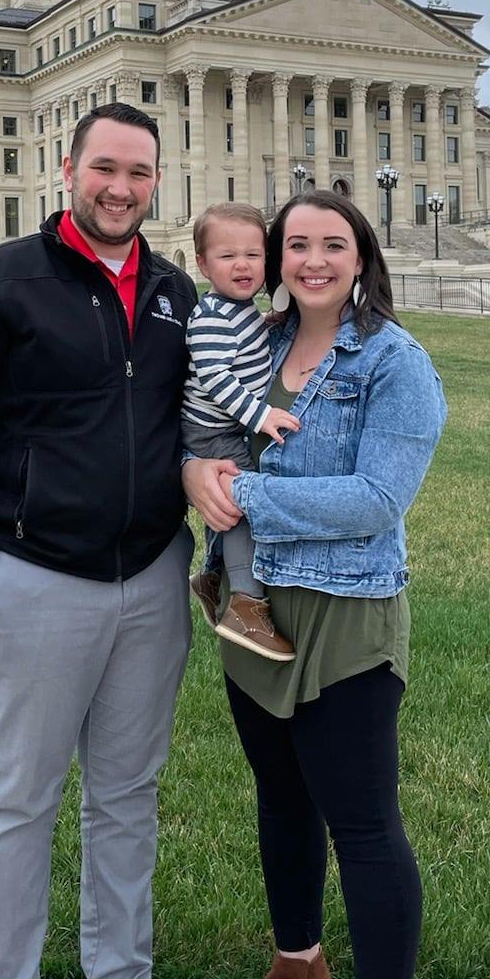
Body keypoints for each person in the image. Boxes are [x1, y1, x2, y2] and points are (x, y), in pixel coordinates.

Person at [0, 103, 200, 979]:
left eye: (139, 173)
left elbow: (199, 417)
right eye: (105, 168)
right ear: (67, 168)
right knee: (17, 803)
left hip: (150, 577)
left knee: (127, 797)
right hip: (31, 578)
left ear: (156, 182)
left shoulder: (174, 292)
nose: (121, 188)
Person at [181, 190, 447, 979]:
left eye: (333, 244)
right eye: (296, 245)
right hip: (255, 610)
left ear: (361, 255)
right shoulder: (256, 341)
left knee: (364, 826)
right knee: (282, 799)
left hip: (346, 616)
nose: (313, 261)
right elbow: (204, 427)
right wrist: (193, 469)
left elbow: (378, 498)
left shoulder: (395, 362)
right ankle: (298, 970)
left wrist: (243, 496)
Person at [183, 201, 301, 661]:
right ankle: (246, 605)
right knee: (240, 504)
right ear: (203, 264)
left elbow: (245, 349)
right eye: (228, 255)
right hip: (212, 430)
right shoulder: (212, 317)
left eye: (253, 255)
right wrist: (260, 416)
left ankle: (211, 577)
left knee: (228, 504)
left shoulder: (240, 310)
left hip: (225, 426)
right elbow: (216, 378)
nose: (243, 265)